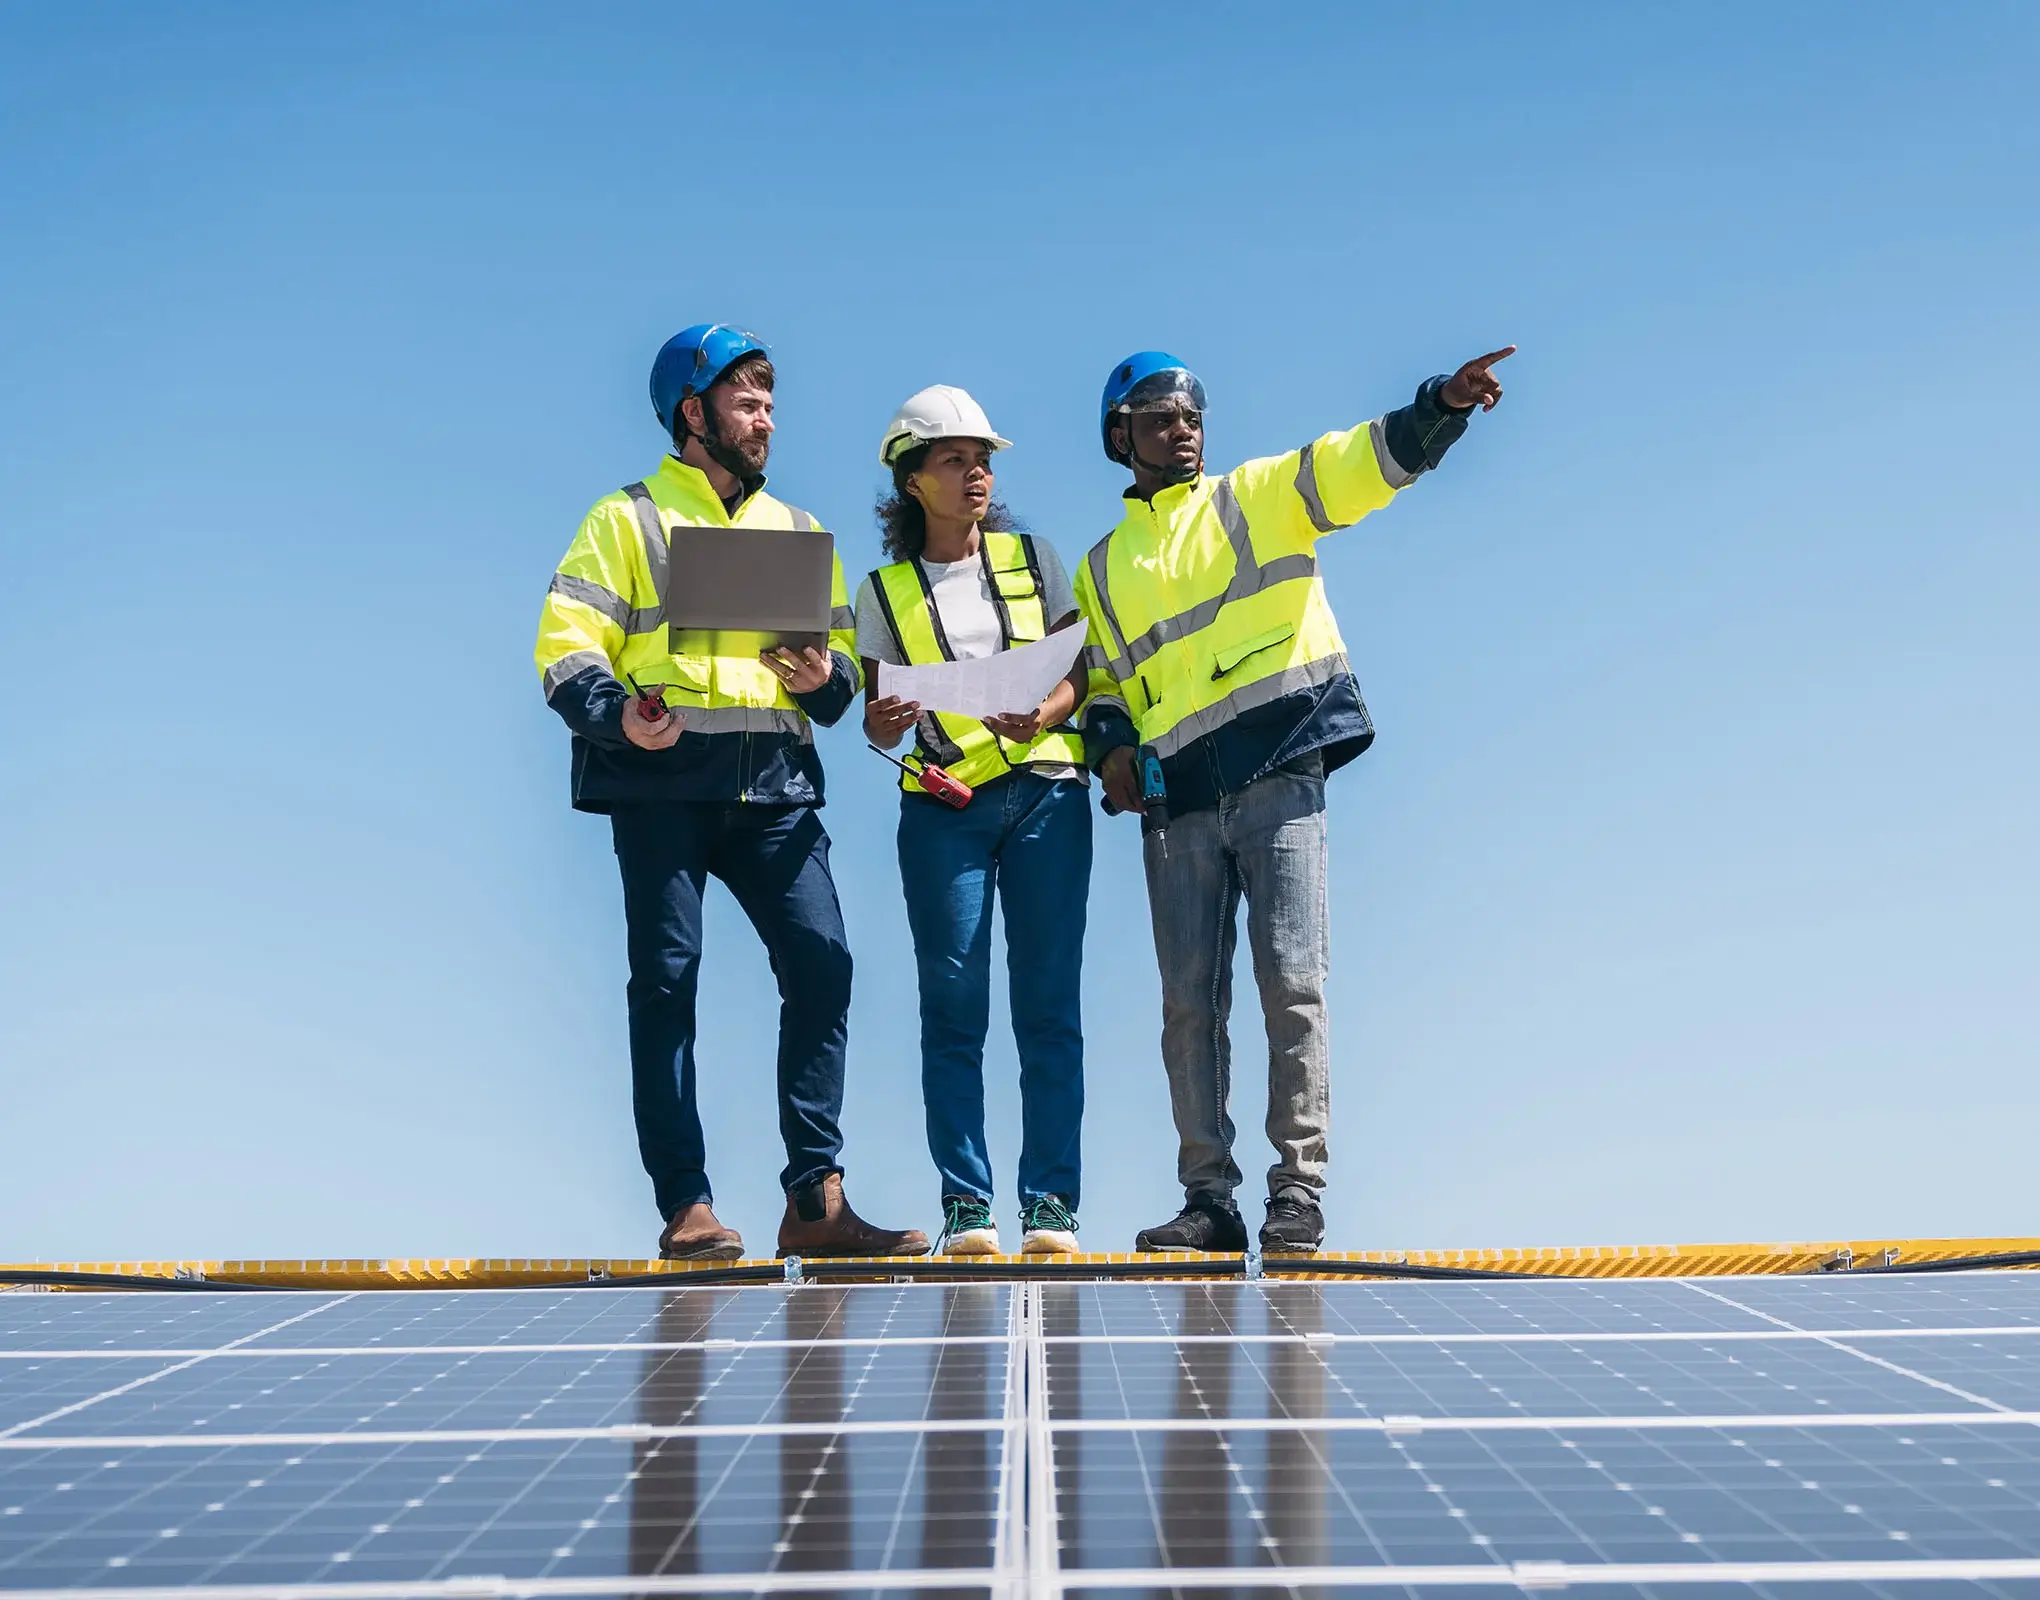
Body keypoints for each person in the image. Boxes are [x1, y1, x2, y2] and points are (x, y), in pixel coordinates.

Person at [1074, 346, 1515, 1256]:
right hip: (1179, 802)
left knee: (1293, 982)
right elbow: (1106, 686)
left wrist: (1440, 405)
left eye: (1192, 412)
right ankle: (1209, 1200)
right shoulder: (1101, 568)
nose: (1183, 427)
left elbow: (1361, 461)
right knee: (1189, 1006)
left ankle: (1297, 1193)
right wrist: (1110, 747)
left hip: (1279, 768)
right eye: (1160, 415)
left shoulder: (1257, 495)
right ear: (1122, 436)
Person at [533, 323, 928, 1262]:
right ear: (692, 412)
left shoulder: (797, 532)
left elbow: (836, 689)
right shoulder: (623, 520)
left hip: (776, 790)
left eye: (770, 406)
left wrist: (814, 679)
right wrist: (617, 713)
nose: (766, 422)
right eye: (748, 404)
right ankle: (687, 1204)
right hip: (660, 785)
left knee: (823, 964)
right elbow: (564, 646)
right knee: (667, 986)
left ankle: (816, 1200)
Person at [856, 386, 1092, 1257]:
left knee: (1047, 1006)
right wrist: (881, 722)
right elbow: (878, 712)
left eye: (983, 458)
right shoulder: (880, 591)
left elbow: (1082, 671)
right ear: (910, 478)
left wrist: (1051, 711)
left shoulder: (1038, 559)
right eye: (954, 459)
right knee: (952, 1008)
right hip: (942, 808)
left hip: (1047, 797)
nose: (976, 473)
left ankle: (1051, 1210)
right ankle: (968, 1209)